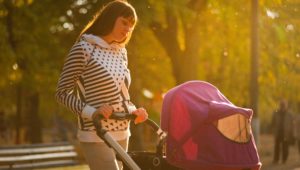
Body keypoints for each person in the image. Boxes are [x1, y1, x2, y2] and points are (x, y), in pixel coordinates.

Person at [55, 1, 148, 169]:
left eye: (131, 25)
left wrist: (134, 110)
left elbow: (121, 93)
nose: (128, 29)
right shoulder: (84, 48)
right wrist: (92, 112)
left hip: (122, 129)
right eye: (124, 22)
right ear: (110, 18)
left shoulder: (120, 51)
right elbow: (61, 93)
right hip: (96, 131)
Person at [271, 99, 294, 164]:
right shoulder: (276, 112)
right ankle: (276, 159)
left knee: (285, 147)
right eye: (281, 105)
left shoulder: (290, 114)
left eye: (284, 105)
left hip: (286, 133)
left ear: (286, 106)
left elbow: (292, 124)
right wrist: (273, 130)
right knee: (277, 147)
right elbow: (272, 122)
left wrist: (292, 133)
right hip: (278, 132)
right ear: (280, 105)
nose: (282, 106)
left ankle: (284, 159)